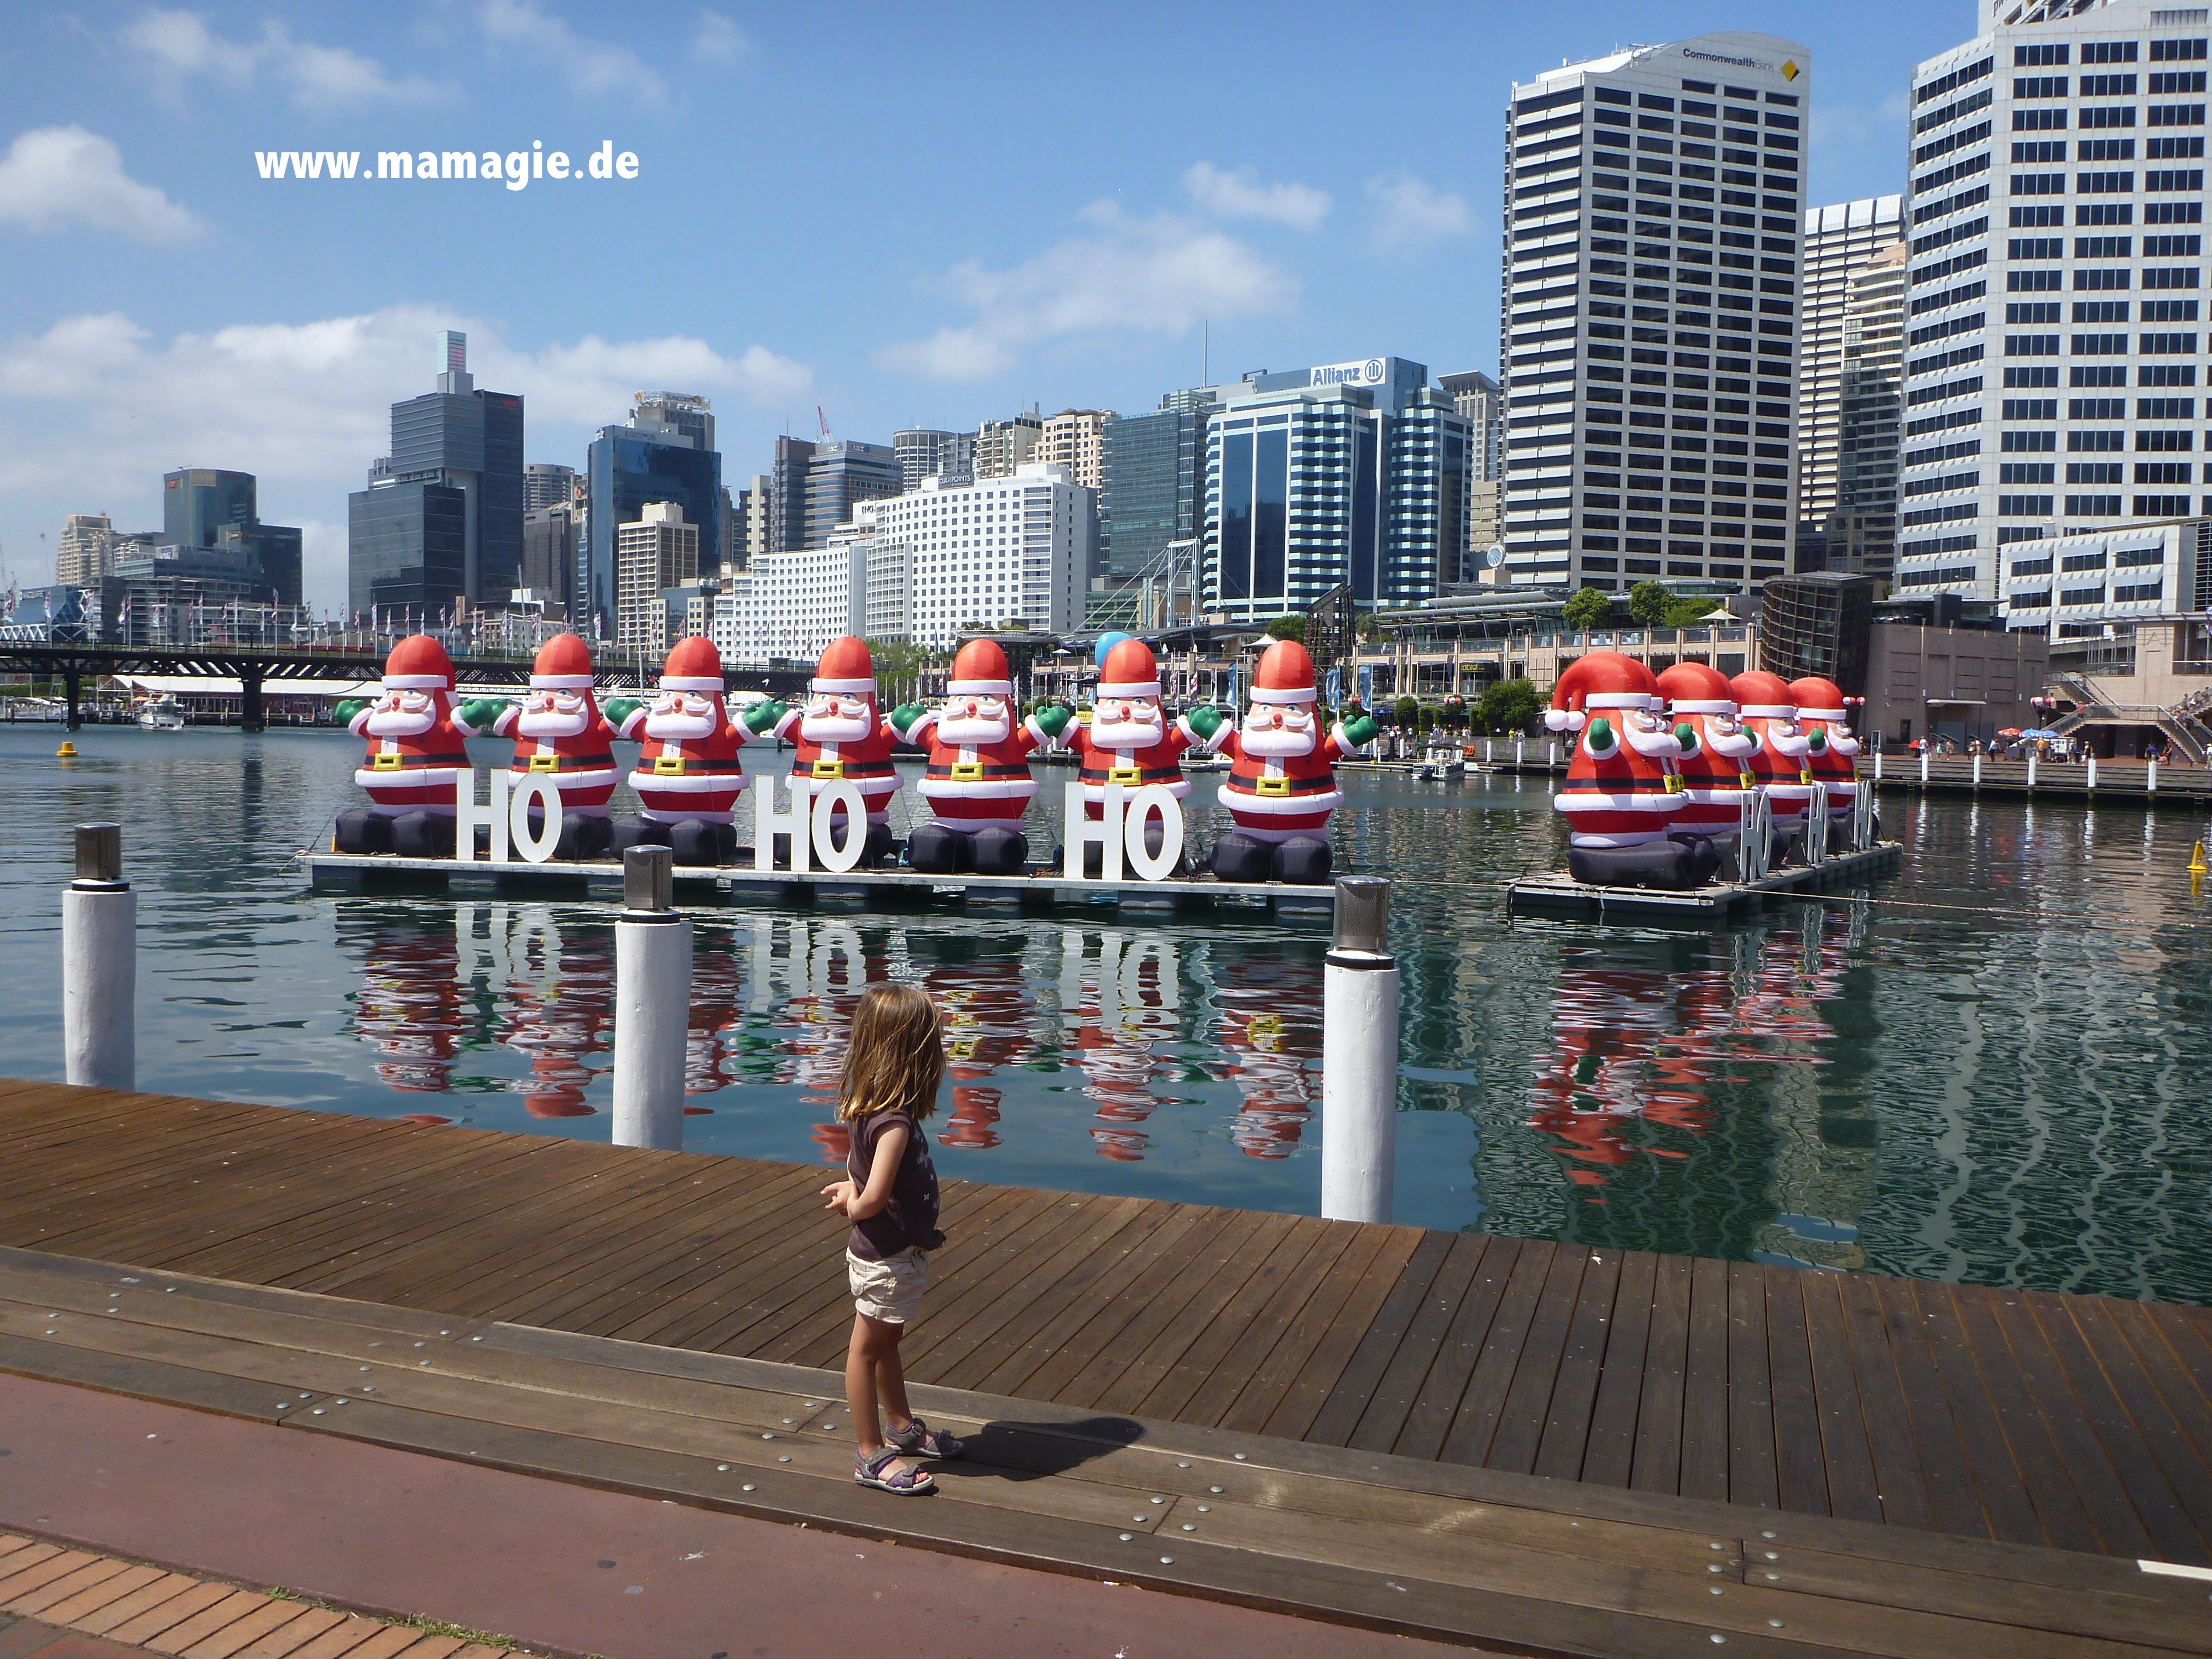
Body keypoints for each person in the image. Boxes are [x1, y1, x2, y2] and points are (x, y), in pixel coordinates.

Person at [822, 983, 962, 1495]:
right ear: (918, 1055)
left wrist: (850, 1185)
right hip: (886, 1259)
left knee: (888, 1342)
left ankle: (900, 1426)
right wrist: (855, 1204)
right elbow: (875, 1197)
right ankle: (869, 1454)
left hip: (895, 1255)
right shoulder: (894, 1123)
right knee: (866, 1351)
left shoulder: (873, 1108)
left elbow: (859, 1169)